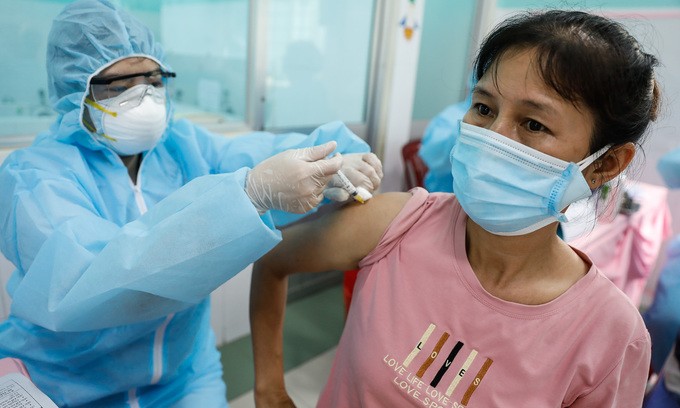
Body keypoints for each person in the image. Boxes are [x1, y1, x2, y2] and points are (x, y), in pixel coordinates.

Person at [250, 10, 659, 407]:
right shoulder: (395, 224)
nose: (493, 137)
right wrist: (270, 391)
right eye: (484, 108)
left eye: (533, 124)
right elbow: (271, 258)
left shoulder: (611, 336)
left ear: (605, 164)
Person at [0, 0, 383, 407]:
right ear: (75, 90)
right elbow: (89, 277)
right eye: (118, 87)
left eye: (153, 80)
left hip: (182, 376)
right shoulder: (35, 177)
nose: (143, 98)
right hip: (63, 382)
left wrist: (334, 157)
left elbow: (262, 154)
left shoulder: (183, 146)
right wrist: (250, 195)